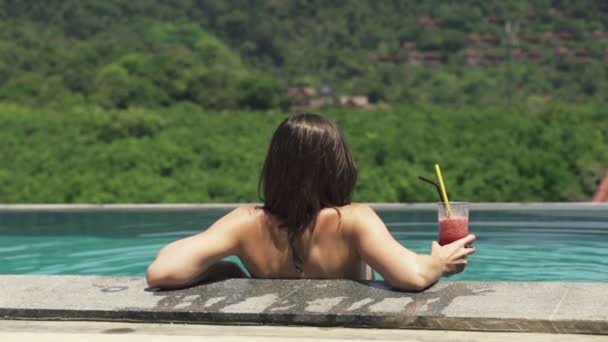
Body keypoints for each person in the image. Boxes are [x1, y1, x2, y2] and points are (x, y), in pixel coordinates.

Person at [146, 113, 476, 291]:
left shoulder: (245, 222)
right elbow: (411, 277)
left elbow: (162, 271)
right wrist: (440, 263)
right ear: (340, 168)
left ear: (274, 168)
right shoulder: (354, 220)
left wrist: (226, 267)